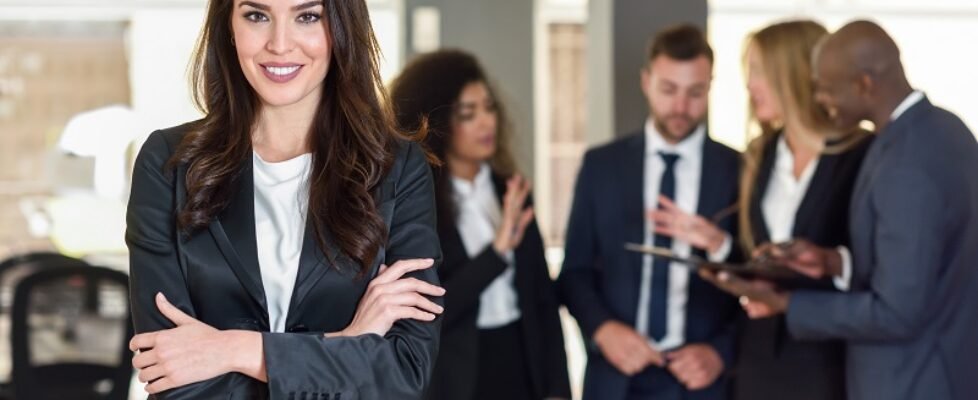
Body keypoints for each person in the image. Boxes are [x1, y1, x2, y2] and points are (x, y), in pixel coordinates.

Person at [125, 0, 445, 398]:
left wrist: (235, 349)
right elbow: (171, 373)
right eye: (257, 16)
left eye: (307, 17)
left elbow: (404, 371)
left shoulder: (397, 169)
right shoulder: (168, 163)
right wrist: (346, 341)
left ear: (342, 29)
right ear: (229, 26)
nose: (279, 44)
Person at [710, 20, 978, 400]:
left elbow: (898, 313)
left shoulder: (905, 162)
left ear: (864, 84)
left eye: (826, 88)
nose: (819, 98)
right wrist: (833, 262)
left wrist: (787, 303)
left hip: (909, 380)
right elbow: (918, 265)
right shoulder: (944, 130)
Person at [650, 20, 872, 400]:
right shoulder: (760, 155)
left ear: (795, 74)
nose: (750, 85)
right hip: (758, 364)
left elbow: (873, 269)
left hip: (830, 362)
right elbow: (761, 260)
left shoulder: (860, 154)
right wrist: (719, 244)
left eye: (758, 72)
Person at [558, 24, 740, 400]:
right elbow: (574, 272)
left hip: (702, 381)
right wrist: (604, 329)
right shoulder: (601, 166)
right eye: (668, 89)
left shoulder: (740, 170)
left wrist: (719, 353)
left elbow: (758, 282)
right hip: (615, 378)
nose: (680, 107)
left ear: (710, 86)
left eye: (695, 92)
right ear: (646, 81)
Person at [389, 49, 571, 400]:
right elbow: (430, 310)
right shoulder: (417, 205)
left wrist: (558, 389)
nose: (487, 122)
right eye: (468, 114)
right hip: (456, 376)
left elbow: (542, 302)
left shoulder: (512, 192)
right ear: (437, 123)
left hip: (520, 362)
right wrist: (498, 251)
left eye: (489, 108)